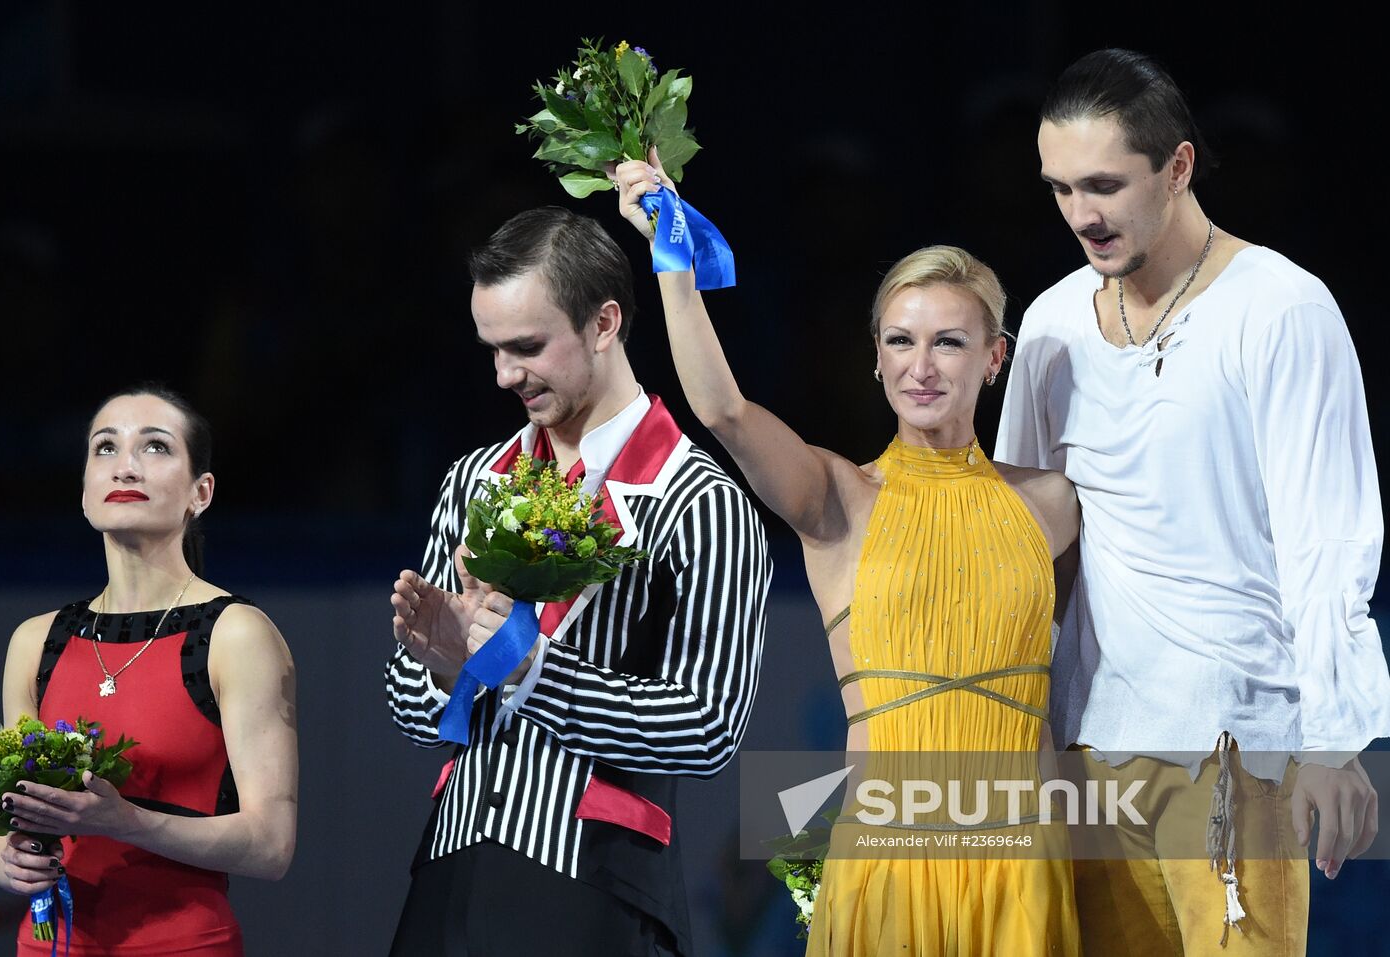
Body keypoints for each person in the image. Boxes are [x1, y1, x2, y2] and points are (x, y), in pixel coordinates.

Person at [613, 158, 1081, 954]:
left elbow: (1071, 683)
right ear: (876, 356)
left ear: (994, 358)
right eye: (901, 340)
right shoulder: (837, 497)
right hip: (888, 866)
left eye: (949, 342)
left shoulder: (1054, 504)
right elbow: (724, 411)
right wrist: (672, 256)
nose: (921, 366)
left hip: (1023, 865)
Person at [996, 48, 1389, 955]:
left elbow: (1326, 536)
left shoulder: (1282, 308)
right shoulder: (1052, 323)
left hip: (1234, 745)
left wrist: (1335, 739)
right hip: (1090, 750)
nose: (1081, 215)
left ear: (1177, 167)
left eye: (1104, 185)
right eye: (1060, 189)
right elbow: (1025, 550)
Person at [383, 207, 771, 957]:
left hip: (597, 880)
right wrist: (446, 672)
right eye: (493, 350)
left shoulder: (702, 502)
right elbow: (406, 707)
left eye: (527, 347)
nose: (505, 375)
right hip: (449, 869)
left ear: (604, 323)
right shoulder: (474, 480)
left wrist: (531, 670)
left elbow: (709, 728)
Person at [0, 385, 298, 955]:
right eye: (105, 447)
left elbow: (272, 847)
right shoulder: (35, 640)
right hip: (47, 944)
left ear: (201, 493)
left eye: (155, 447)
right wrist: (7, 861)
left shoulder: (235, 633)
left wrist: (126, 820)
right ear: (85, 491)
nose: (125, 465)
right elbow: (7, 816)